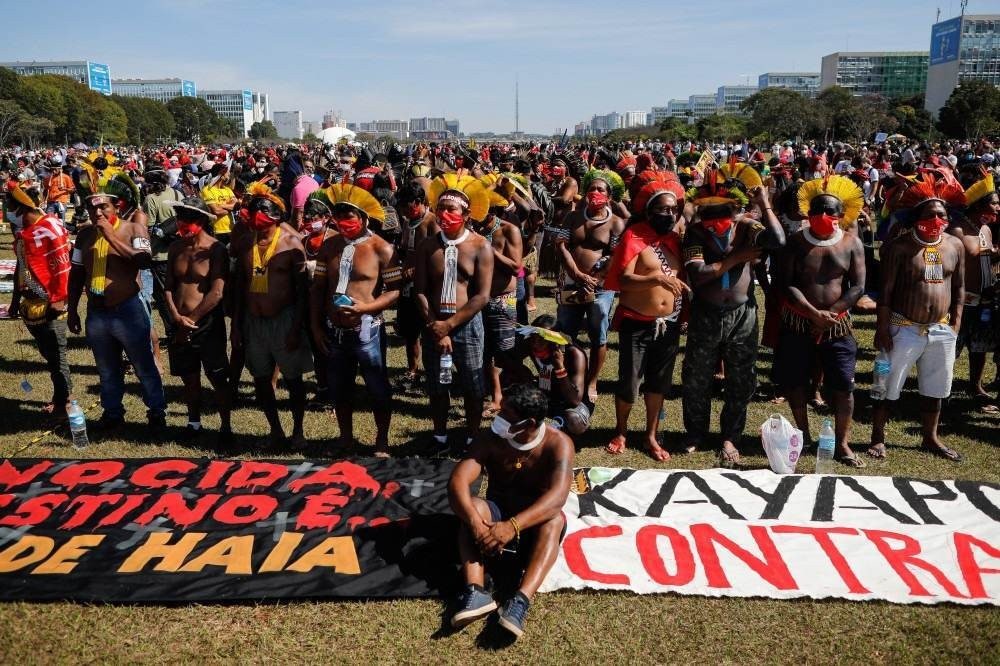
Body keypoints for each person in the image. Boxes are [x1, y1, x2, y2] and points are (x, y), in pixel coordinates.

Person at [447, 383, 573, 639]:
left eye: (506, 415)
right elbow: (457, 482)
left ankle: (520, 601)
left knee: (555, 519)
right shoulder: (490, 440)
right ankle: (476, 591)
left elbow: (557, 497)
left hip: (531, 530)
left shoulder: (558, 444)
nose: (498, 417)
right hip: (492, 523)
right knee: (473, 505)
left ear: (530, 423)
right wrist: (474, 521)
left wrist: (513, 526)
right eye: (501, 409)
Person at [681, 165, 786, 466]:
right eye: (709, 214)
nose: (716, 221)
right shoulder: (695, 233)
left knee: (741, 378)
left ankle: (731, 436)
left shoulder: (748, 227)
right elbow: (699, 275)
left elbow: (778, 241)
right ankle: (695, 432)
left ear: (735, 207)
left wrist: (764, 203)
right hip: (706, 313)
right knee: (697, 377)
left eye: (723, 213)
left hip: (743, 314)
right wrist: (736, 259)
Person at [870, 175, 966, 462]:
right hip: (903, 328)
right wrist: (883, 329)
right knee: (886, 385)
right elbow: (885, 293)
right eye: (931, 215)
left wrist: (956, 324)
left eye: (942, 215)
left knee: (936, 386)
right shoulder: (900, 248)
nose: (937, 220)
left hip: (942, 329)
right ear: (917, 218)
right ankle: (878, 437)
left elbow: (960, 288)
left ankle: (930, 437)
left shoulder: (954, 245)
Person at [775, 176, 867, 466]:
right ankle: (802, 434)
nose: (824, 218)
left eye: (830, 213)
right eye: (817, 212)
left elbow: (858, 286)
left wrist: (833, 313)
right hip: (799, 322)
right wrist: (813, 313)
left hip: (837, 326)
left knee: (843, 386)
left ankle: (842, 443)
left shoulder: (852, 244)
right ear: (808, 214)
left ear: (841, 216)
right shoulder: (795, 243)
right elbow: (785, 283)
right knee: (796, 382)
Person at [67, 171, 167, 435]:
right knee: (106, 368)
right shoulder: (85, 236)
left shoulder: (133, 229)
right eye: (92, 207)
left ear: (116, 206)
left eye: (103, 206)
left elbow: (144, 261)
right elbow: (77, 273)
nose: (97, 212)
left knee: (143, 364)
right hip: (97, 313)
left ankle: (156, 412)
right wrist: (73, 309)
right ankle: (113, 414)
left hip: (128, 309)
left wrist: (111, 237)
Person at [603, 171, 689, 460]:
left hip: (669, 326)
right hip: (636, 323)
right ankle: (621, 430)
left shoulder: (677, 240)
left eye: (673, 209)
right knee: (629, 383)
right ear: (649, 211)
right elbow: (622, 280)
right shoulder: (634, 236)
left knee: (659, 383)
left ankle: (651, 435)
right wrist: (657, 280)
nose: (669, 213)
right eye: (662, 209)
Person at [310, 184, 401, 456]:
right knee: (340, 388)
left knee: (377, 387)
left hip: (367, 331)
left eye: (349, 218)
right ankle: (345, 438)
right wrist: (316, 326)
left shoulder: (381, 248)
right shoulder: (330, 246)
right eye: (339, 219)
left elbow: (395, 291)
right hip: (334, 331)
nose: (344, 224)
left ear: (363, 218)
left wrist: (367, 308)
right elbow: (318, 288)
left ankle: (382, 440)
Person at [414, 174, 494, 448]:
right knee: (438, 384)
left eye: (452, 210)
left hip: (468, 326)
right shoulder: (427, 246)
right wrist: (435, 325)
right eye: (441, 209)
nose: (444, 214)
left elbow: (482, 296)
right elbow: (421, 290)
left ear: (467, 214)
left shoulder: (480, 246)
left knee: (473, 383)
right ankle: (440, 434)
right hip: (433, 325)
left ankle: (472, 435)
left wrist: (450, 326)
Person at [232, 181, 312, 448]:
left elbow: (302, 292)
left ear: (277, 216)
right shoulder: (244, 244)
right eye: (253, 209)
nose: (257, 214)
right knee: (261, 378)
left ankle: (298, 430)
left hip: (284, 320)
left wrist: (295, 328)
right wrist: (237, 326)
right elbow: (241, 287)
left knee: (293, 379)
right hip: (254, 322)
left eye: (263, 210)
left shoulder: (291, 244)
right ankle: (275, 430)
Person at [163, 197, 233, 444]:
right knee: (189, 377)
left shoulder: (216, 250)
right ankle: (193, 423)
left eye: (188, 218)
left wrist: (190, 320)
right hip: (178, 322)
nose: (182, 223)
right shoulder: (176, 248)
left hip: (206, 324)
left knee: (217, 377)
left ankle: (226, 426)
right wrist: (175, 316)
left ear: (201, 221)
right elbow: (168, 286)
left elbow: (216, 292)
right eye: (180, 217)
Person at [554, 169, 626, 403]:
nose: (595, 192)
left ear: (609, 196)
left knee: (598, 335)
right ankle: (568, 377)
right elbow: (562, 245)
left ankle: (592, 381)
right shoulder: (573, 217)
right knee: (565, 332)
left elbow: (615, 255)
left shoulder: (616, 223)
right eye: (592, 188)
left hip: (600, 288)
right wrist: (575, 272)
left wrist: (596, 280)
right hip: (572, 283)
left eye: (600, 189)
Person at [6, 182, 73, 415]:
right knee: (49, 355)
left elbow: (63, 266)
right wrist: (15, 300)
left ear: (21, 208)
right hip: (31, 304)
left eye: (9, 206)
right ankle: (60, 397)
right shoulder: (25, 234)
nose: (6, 212)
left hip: (52, 302)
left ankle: (65, 402)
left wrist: (59, 299)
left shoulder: (50, 227)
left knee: (57, 355)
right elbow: (21, 266)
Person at [474, 176, 524, 416]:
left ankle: (506, 394)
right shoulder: (473, 231)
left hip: (504, 299)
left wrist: (489, 250)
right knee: (483, 349)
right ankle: (493, 394)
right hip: (478, 299)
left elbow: (516, 267)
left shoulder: (508, 230)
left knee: (504, 349)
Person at [951, 171, 998, 411]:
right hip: (962, 300)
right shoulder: (958, 230)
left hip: (985, 301)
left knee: (979, 347)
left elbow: (987, 261)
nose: (998, 207)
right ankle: (941, 389)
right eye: (994, 202)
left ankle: (975, 385)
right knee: (953, 348)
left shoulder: (986, 230)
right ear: (980, 205)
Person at [394, 180, 438, 392]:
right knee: (410, 333)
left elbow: (438, 256)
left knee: (429, 334)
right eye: (401, 207)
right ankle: (413, 371)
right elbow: (405, 250)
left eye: (407, 206)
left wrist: (418, 271)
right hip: (407, 286)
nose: (404, 210)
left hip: (426, 288)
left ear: (419, 202)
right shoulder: (407, 221)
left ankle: (433, 375)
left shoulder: (431, 222)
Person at [514, 315, 591, 434]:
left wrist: (560, 368)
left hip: (571, 403)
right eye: (533, 337)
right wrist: (525, 373)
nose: (535, 344)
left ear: (554, 340)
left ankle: (563, 436)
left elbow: (574, 400)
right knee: (508, 380)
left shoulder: (574, 354)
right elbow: (505, 358)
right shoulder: (531, 345)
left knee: (573, 420)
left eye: (541, 339)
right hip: (548, 397)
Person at [200, 164, 237, 246]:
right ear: (222, 175)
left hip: (231, 229)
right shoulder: (207, 190)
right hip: (217, 231)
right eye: (227, 173)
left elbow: (236, 204)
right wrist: (232, 207)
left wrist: (221, 205)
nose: (229, 175)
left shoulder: (227, 189)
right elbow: (217, 211)